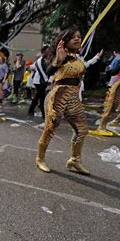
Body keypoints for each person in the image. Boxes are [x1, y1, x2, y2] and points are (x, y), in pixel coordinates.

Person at [36, 28, 90, 175]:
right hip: (58, 96)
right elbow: (49, 72)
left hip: (73, 97)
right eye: (74, 37)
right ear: (65, 41)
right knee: (50, 129)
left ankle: (75, 160)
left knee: (82, 130)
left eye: (79, 36)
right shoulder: (60, 55)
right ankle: (40, 159)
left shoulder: (78, 58)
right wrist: (58, 61)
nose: (78, 39)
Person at [28, 46, 51, 119]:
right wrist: (47, 80)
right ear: (44, 52)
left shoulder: (46, 60)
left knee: (38, 96)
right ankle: (44, 114)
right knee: (42, 97)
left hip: (42, 81)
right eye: (47, 50)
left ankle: (31, 110)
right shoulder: (40, 60)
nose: (49, 51)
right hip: (38, 81)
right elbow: (41, 71)